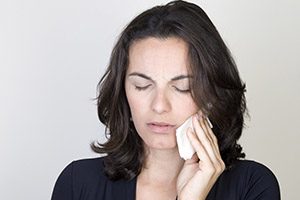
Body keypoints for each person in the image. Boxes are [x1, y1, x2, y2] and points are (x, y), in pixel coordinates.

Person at [51, 1, 280, 199]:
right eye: (142, 86)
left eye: (183, 88)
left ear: (212, 95)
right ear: (123, 91)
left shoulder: (253, 186)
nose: (159, 106)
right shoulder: (77, 183)